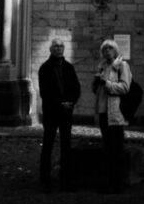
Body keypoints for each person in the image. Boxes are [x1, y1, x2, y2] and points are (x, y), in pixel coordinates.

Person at [38, 37, 81, 189]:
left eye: (61, 46)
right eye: (55, 46)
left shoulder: (69, 67)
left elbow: (76, 87)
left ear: (64, 49)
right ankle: (45, 180)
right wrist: (60, 104)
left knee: (66, 145)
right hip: (51, 113)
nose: (58, 49)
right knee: (48, 145)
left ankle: (65, 179)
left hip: (66, 113)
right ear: (50, 49)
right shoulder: (44, 68)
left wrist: (71, 102)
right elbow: (45, 92)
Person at [91, 38, 132, 192]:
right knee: (107, 147)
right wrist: (96, 83)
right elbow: (97, 91)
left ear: (115, 51)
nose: (107, 52)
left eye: (110, 49)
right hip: (103, 111)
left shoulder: (122, 66)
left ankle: (118, 183)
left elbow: (125, 87)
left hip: (116, 113)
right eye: (105, 49)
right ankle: (108, 181)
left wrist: (107, 84)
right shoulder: (102, 67)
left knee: (117, 148)